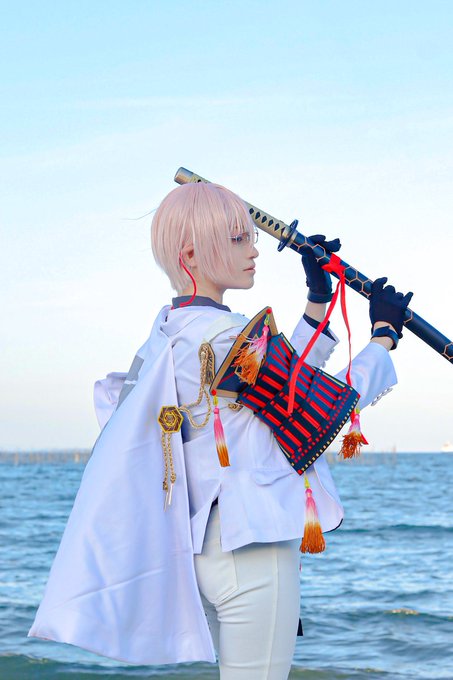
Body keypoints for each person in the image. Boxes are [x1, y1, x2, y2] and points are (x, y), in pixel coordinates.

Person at [28, 182, 412, 679]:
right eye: (237, 239)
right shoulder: (226, 334)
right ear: (191, 254)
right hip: (252, 549)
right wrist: (383, 336)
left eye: (251, 237)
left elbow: (281, 387)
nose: (254, 251)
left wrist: (318, 301)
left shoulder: (166, 334)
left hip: (204, 550)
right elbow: (318, 405)